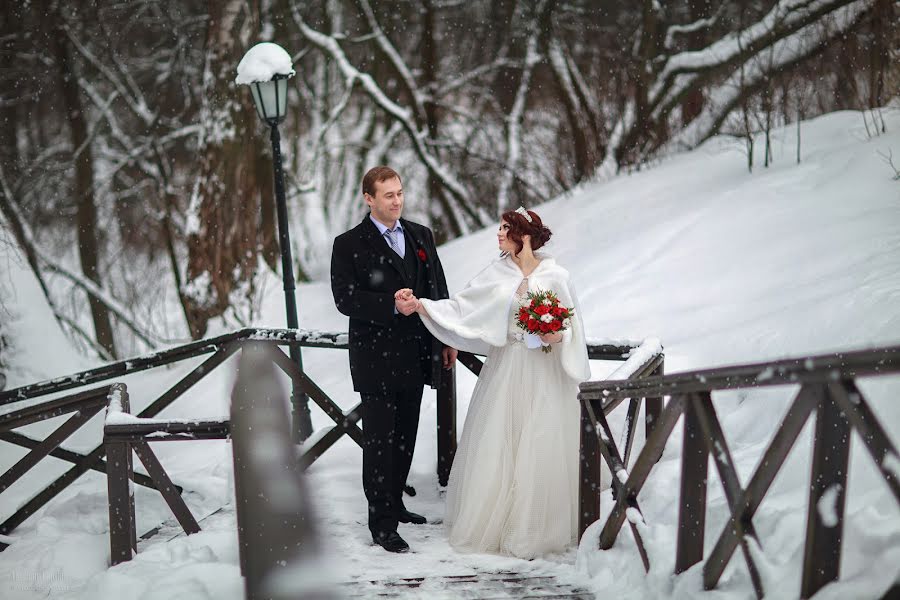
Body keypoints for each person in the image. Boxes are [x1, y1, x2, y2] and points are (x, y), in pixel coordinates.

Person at [396, 207, 591, 559]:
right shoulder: (496, 273)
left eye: (505, 229)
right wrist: (423, 306)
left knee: (541, 441)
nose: (498, 235)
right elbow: (462, 308)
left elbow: (573, 324)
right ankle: (500, 524)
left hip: (546, 372)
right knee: (502, 440)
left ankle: (539, 526)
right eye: (499, 228)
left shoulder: (557, 275)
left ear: (525, 236)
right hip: (508, 366)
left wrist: (554, 335)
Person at [330, 166, 458, 554]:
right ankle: (382, 523)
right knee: (380, 443)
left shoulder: (421, 235)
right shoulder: (349, 243)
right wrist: (390, 305)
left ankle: (397, 506)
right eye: (388, 195)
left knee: (405, 437)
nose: (397, 201)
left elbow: (437, 286)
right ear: (368, 198)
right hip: (375, 359)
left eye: (400, 193)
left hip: (416, 355)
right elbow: (345, 299)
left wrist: (447, 335)